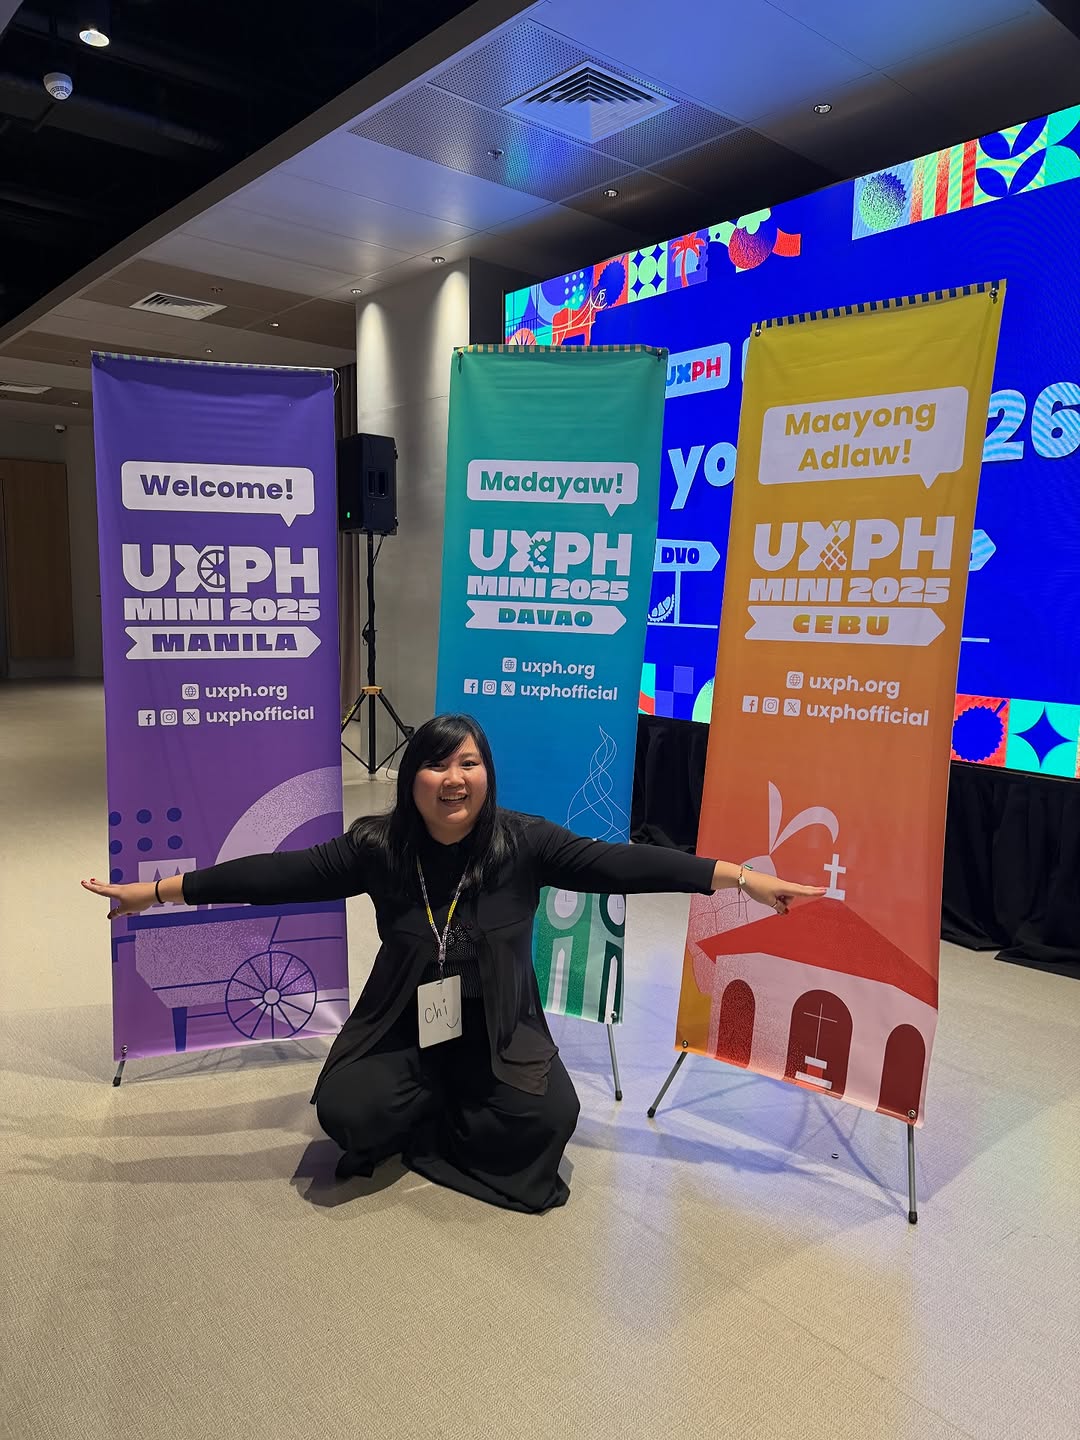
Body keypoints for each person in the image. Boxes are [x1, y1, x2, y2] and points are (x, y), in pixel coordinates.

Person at [82, 714, 824, 1214]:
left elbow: (621, 863)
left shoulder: (525, 843)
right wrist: (157, 892)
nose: (453, 778)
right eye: (436, 765)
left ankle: (437, 1111)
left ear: (487, 775)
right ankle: (435, 1102)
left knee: (550, 1122)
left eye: (468, 763)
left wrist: (738, 877)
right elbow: (278, 875)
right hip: (403, 1023)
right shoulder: (377, 847)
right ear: (412, 779)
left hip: (499, 1026)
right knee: (346, 1112)